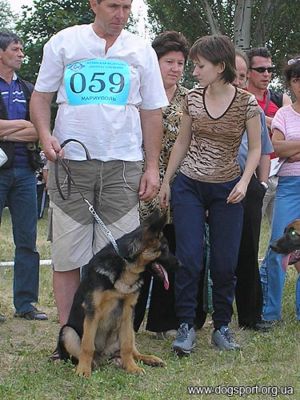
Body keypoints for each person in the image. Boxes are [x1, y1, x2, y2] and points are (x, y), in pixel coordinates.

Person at [30, 0, 168, 332]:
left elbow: (152, 112)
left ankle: (114, 339)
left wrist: (152, 167)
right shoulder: (64, 42)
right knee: (66, 257)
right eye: (112, 6)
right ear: (93, 4)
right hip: (71, 166)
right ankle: (68, 336)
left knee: (122, 257)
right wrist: (45, 135)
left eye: (126, 7)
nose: (120, 15)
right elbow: (40, 97)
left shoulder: (140, 49)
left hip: (123, 166)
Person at [159, 35, 261, 355]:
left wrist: (245, 182)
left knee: (224, 262)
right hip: (188, 184)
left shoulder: (247, 103)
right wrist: (166, 182)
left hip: (228, 188)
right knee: (188, 258)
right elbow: (181, 143)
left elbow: (256, 148)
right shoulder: (191, 99)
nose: (194, 71)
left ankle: (222, 327)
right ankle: (186, 326)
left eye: (199, 66)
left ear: (220, 66)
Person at [133, 31, 189, 338]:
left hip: (178, 188)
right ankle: (129, 320)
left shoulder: (190, 99)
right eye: (169, 61)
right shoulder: (139, 94)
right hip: (141, 186)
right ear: (154, 63)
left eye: (181, 63)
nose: (176, 68)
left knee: (170, 252)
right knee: (139, 253)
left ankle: (164, 322)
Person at [0, 31, 47, 321]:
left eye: (22, 49)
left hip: (26, 173)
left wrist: (8, 127)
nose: (21, 54)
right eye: (16, 49)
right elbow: (27, 127)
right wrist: (22, 125)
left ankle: (26, 304)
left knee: (27, 240)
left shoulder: (29, 89)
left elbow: (38, 129)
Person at [234, 50, 273, 331]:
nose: (238, 81)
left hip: (249, 186)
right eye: (234, 76)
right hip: (211, 183)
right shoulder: (202, 104)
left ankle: (250, 316)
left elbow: (264, 151)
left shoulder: (254, 109)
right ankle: (195, 317)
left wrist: (260, 183)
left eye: (242, 76)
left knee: (248, 251)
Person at [259, 57, 300, 324]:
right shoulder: (284, 115)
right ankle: (271, 313)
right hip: (289, 187)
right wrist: (289, 149)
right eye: (296, 80)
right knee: (278, 247)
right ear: (291, 84)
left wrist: (293, 145)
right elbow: (278, 148)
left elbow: (288, 147)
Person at [246, 47, 291, 224]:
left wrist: (262, 119)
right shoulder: (240, 97)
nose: (266, 74)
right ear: (248, 72)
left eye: (270, 70)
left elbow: (292, 130)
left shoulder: (279, 98)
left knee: (285, 232)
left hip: (281, 173)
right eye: (261, 70)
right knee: (250, 231)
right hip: (253, 174)